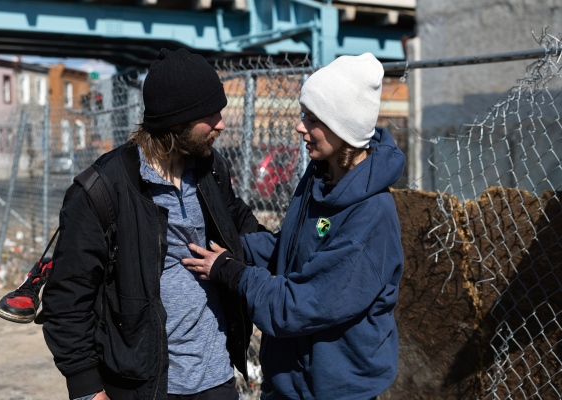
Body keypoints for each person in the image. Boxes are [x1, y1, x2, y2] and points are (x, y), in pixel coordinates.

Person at [40, 48, 264, 400]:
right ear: (176, 122)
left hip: (216, 376)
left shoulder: (211, 169)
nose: (221, 123)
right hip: (143, 385)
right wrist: (86, 388)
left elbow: (243, 226)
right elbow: (67, 299)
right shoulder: (101, 191)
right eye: (210, 114)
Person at [183, 53, 405, 400]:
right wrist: (235, 247)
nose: (300, 126)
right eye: (304, 115)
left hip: (333, 392)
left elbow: (299, 305)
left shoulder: (371, 218)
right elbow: (291, 249)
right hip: (289, 382)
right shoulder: (322, 176)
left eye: (313, 119)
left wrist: (233, 271)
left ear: (342, 128)